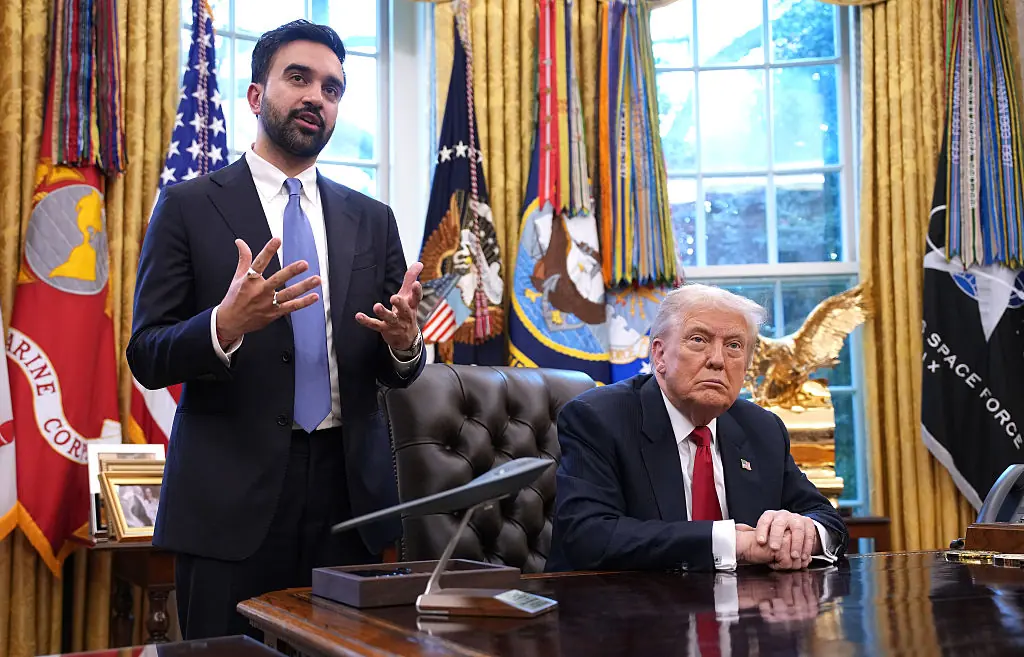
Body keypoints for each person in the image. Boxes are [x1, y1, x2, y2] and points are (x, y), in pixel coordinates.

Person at [127, 20, 425, 640]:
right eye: (299, 78)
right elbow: (147, 354)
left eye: (334, 88)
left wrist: (405, 346)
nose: (318, 96)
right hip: (229, 504)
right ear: (257, 96)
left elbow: (400, 365)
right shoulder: (187, 205)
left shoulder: (372, 218)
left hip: (352, 500)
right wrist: (221, 327)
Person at [546, 283, 848, 573]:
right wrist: (733, 544)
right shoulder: (599, 419)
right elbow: (588, 536)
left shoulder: (762, 428)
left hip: (746, 615)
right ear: (660, 355)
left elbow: (828, 521)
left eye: (734, 346)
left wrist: (804, 532)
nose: (718, 360)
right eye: (699, 340)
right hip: (622, 615)